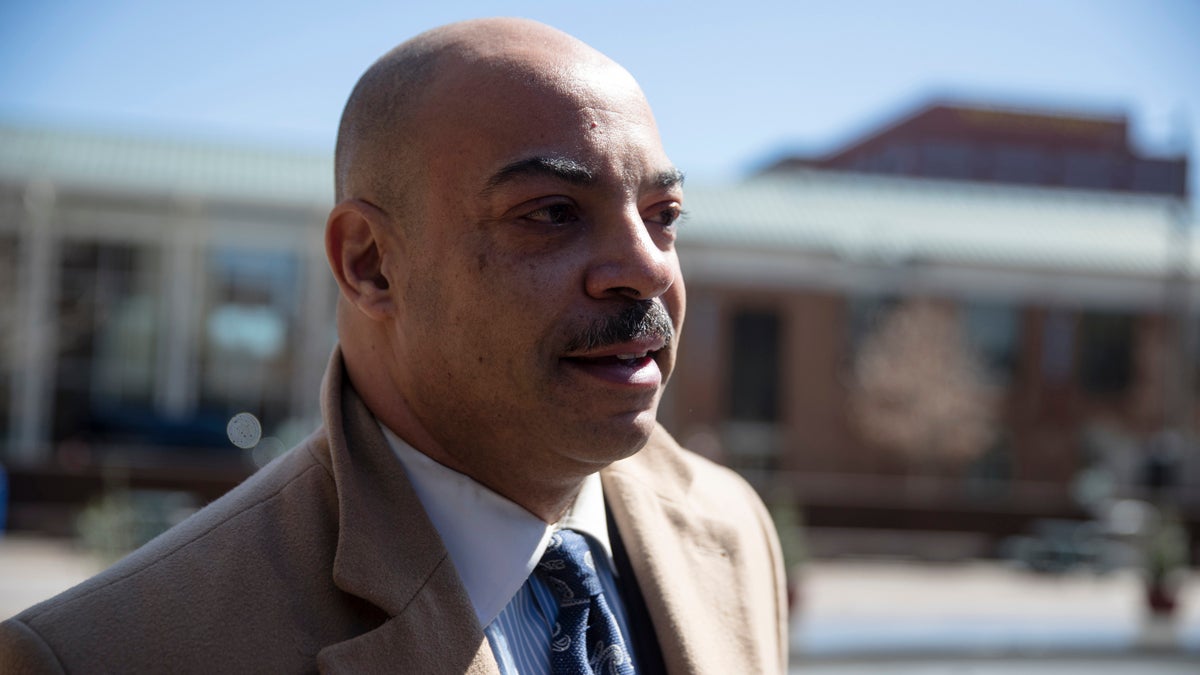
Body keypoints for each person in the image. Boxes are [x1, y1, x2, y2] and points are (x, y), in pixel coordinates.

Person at [0, 18, 787, 673]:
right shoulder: (105, 653)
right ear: (370, 263)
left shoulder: (732, 529)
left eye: (663, 213)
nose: (647, 268)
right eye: (552, 212)